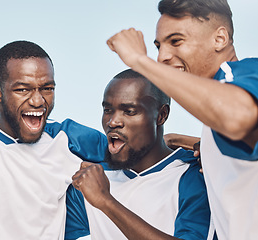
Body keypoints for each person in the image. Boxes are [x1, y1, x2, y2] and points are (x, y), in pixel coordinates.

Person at [106, 0, 258, 238]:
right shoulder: (210, 121)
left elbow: (238, 118)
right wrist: (190, 142)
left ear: (220, 39)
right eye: (158, 46)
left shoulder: (245, 75)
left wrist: (140, 61)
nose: (163, 56)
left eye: (176, 41)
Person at [0, 40, 107, 240]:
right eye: (22, 90)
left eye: (47, 88)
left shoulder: (68, 137)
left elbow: (131, 153)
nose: (38, 101)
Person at [69, 69, 214, 239]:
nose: (113, 121)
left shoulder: (194, 174)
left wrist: (106, 202)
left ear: (161, 115)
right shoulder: (91, 180)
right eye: (108, 110)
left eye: (129, 111)